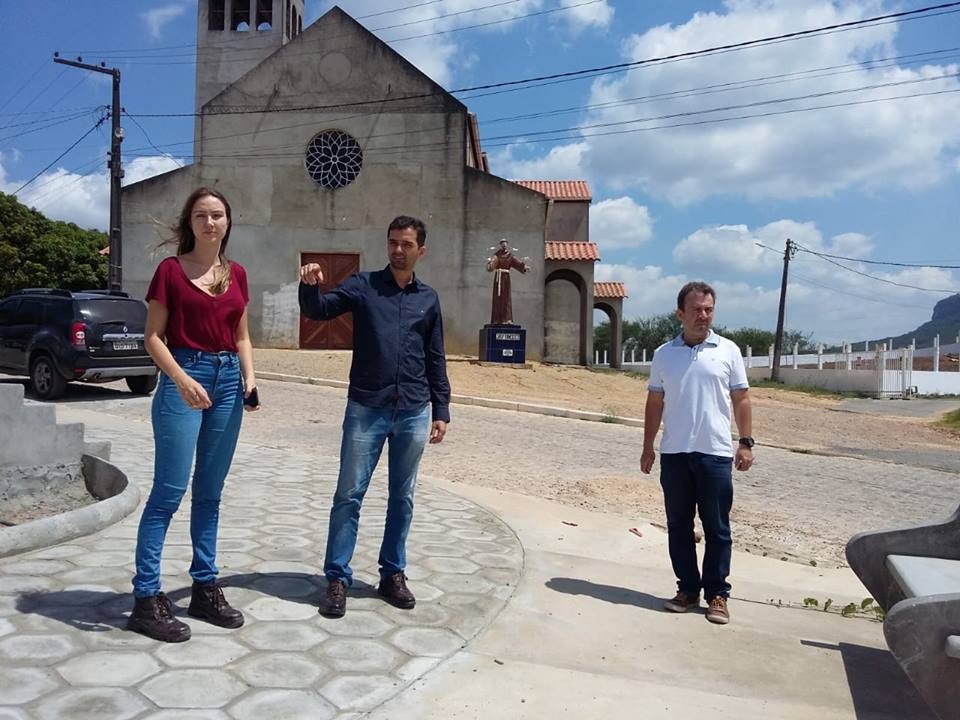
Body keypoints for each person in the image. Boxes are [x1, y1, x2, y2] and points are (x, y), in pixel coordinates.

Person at [299, 215, 450, 618]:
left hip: (414, 410)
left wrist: (442, 409)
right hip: (367, 407)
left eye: (405, 244)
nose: (397, 250)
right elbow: (320, 311)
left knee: (403, 497)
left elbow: (435, 355)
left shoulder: (429, 299)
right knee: (349, 495)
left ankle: (392, 574)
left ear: (421, 250)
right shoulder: (363, 286)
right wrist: (310, 284)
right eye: (392, 242)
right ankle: (336, 577)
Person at [128, 187, 259, 643]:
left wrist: (250, 378)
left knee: (210, 493)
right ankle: (146, 598)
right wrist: (182, 380)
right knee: (168, 492)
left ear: (227, 222)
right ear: (190, 222)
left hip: (226, 383)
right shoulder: (170, 271)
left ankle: (205, 587)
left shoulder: (236, 274)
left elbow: (241, 335)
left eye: (217, 215)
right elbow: (153, 338)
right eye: (201, 215)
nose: (210, 223)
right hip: (184, 378)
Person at [640, 281, 753, 625]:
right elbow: (654, 402)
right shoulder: (663, 354)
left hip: (715, 453)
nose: (703, 316)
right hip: (675, 453)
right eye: (696, 310)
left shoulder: (728, 350)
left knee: (718, 528)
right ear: (680, 314)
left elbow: (741, 399)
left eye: (709, 309)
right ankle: (688, 589)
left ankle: (717, 593)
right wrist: (648, 447)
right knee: (678, 526)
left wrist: (746, 442)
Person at [485, 238, 528, 325]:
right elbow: (492, 264)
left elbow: (518, 263)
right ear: (500, 245)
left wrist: (524, 266)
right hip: (498, 278)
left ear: (507, 245)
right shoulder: (497, 255)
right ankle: (496, 319)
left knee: (507, 298)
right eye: (502, 244)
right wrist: (490, 264)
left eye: (505, 244)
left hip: (506, 278)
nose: (504, 245)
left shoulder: (510, 256)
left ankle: (507, 319)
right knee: (498, 298)